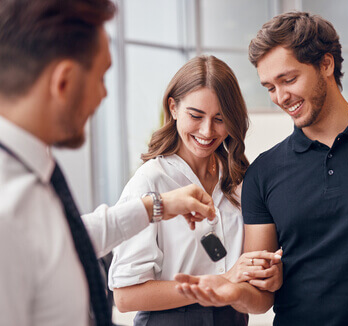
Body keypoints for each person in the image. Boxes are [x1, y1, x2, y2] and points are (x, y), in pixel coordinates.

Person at [175, 11, 348, 326]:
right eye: (270, 87)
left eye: (288, 79)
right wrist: (233, 293)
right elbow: (260, 297)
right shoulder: (264, 172)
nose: (281, 97)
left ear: (326, 64)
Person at [0, 1, 216, 326]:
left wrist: (156, 206)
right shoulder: (10, 207)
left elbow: (69, 237)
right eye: (102, 77)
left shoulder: (31, 176)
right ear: (64, 81)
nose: (104, 95)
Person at [108, 55, 282, 326]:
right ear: (173, 107)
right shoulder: (150, 182)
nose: (207, 130)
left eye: (220, 119)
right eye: (196, 115)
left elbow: (259, 299)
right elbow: (125, 296)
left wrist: (266, 279)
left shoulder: (241, 182)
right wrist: (220, 282)